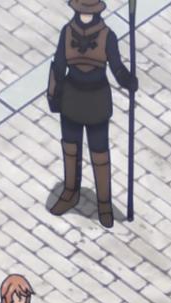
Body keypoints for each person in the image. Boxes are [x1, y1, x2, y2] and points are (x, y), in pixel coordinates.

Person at [46, 0, 139, 227]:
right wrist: (54, 94)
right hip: (71, 98)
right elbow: (59, 65)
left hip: (96, 100)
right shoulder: (67, 32)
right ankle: (70, 191)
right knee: (70, 147)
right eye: (82, 11)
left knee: (99, 153)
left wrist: (127, 80)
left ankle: (104, 204)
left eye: (88, 11)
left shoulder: (108, 36)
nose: (85, 15)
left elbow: (116, 67)